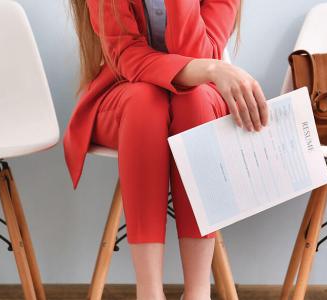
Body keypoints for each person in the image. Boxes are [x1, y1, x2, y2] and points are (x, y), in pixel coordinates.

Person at [64, 0, 268, 299]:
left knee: (193, 101)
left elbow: (200, 54)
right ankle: (149, 292)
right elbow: (128, 58)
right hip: (124, 95)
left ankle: (198, 292)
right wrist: (211, 68)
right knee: (146, 102)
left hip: (199, 101)